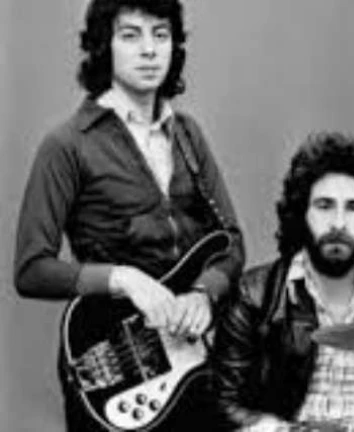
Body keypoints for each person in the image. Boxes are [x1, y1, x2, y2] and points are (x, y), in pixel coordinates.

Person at [14, 0, 244, 430]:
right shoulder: (66, 145)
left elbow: (230, 242)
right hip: (116, 366)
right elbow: (31, 270)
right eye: (131, 35)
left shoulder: (189, 135)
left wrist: (203, 292)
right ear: (105, 45)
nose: (149, 49)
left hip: (189, 363)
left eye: (161, 34)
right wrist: (123, 279)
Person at [212, 133, 354, 432]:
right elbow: (223, 403)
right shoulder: (255, 294)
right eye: (324, 205)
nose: (338, 223)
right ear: (302, 212)